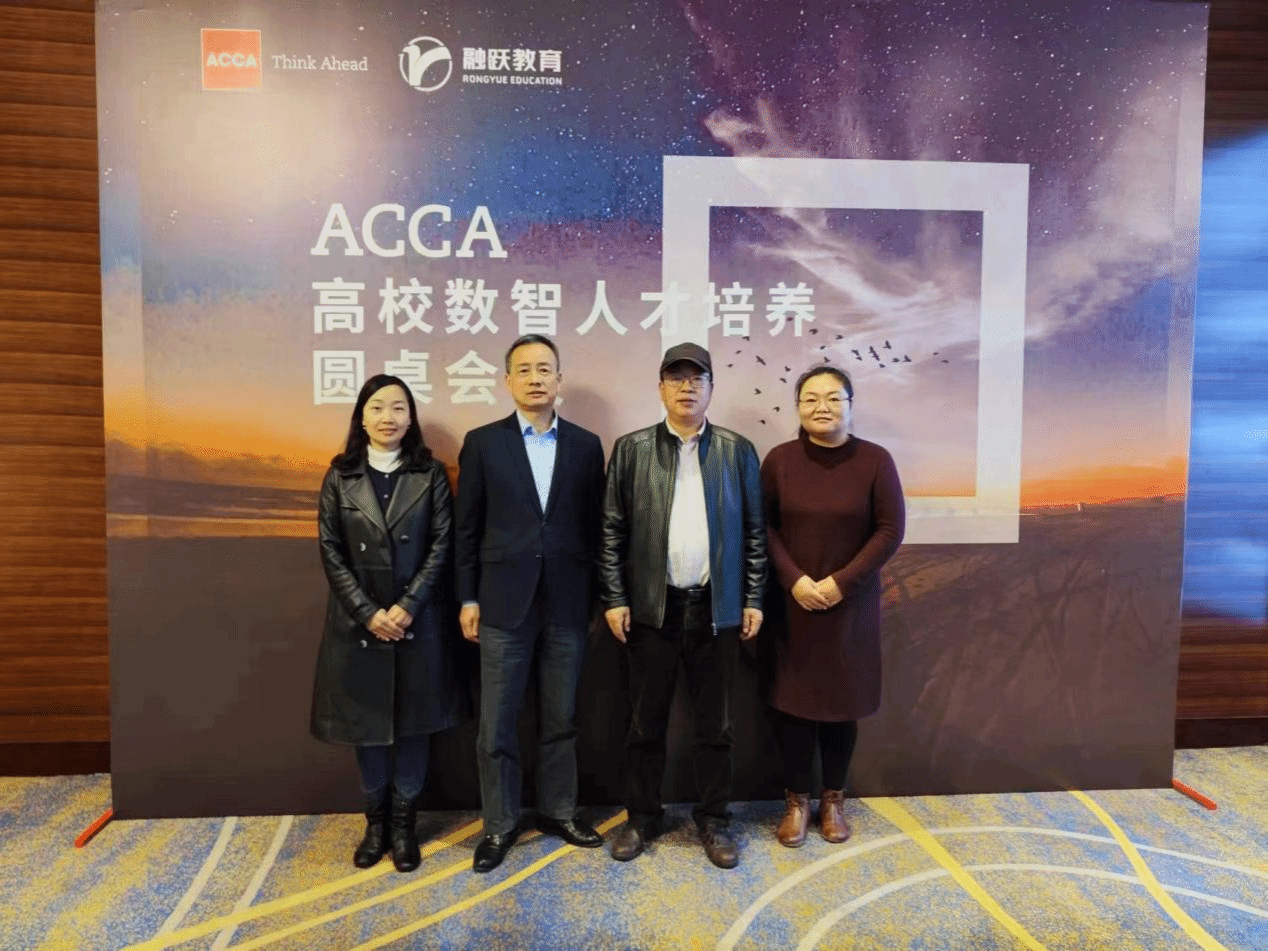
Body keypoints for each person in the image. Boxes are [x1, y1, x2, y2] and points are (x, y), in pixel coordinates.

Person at [599, 342, 767, 869]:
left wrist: (753, 597)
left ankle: (714, 820)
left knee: (716, 728)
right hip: (653, 609)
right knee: (644, 724)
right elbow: (611, 530)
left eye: (697, 378)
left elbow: (755, 533)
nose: (687, 387)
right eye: (676, 378)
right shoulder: (631, 450)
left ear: (712, 387)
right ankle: (641, 817)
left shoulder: (737, 451)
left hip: (717, 609)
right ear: (660, 388)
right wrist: (615, 597)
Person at [455, 334, 607, 873]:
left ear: (559, 379)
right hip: (502, 603)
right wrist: (467, 595)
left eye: (545, 368)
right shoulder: (482, 443)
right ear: (508, 381)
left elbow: (597, 528)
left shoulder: (587, 445)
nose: (536, 378)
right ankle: (499, 824)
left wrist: (600, 597)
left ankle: (559, 811)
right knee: (497, 724)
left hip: (567, 602)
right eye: (525, 369)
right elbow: (466, 528)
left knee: (561, 717)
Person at [311, 374, 466, 873]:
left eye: (399, 408)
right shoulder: (340, 475)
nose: (388, 417)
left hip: (416, 621)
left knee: (414, 726)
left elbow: (442, 544)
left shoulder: (429, 474)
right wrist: (368, 613)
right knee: (368, 727)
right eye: (377, 407)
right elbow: (331, 550)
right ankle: (375, 825)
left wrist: (408, 605)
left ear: (410, 417)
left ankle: (403, 827)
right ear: (361, 417)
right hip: (359, 625)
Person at [760, 365, 905, 847]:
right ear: (798, 407)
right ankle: (796, 801)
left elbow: (890, 530)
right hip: (793, 604)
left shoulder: (876, 460)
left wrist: (842, 582)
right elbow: (764, 527)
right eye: (810, 399)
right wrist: (794, 580)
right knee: (794, 707)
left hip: (850, 607)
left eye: (833, 398)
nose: (821, 407)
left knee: (843, 706)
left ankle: (834, 800)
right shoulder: (779, 460)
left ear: (850, 404)